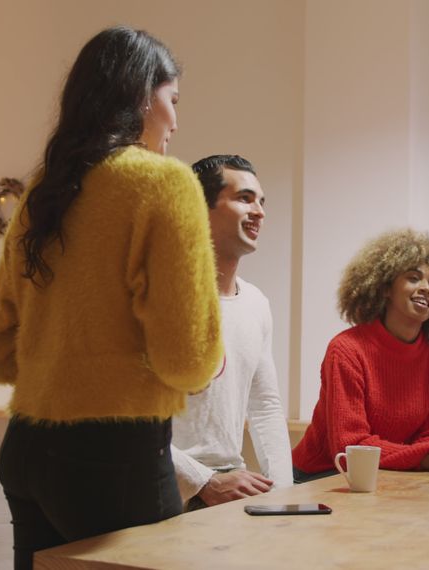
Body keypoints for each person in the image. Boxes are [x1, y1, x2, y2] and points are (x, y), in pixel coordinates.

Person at [0, 27, 222, 569]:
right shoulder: (163, 183)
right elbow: (187, 360)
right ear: (141, 96)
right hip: (115, 457)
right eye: (172, 101)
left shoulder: (43, 193)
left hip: (25, 451)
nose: (176, 122)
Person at [293, 228, 429, 482]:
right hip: (323, 477)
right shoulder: (346, 349)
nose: (426, 289)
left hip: (391, 476)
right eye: (414, 278)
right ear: (386, 287)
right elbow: (350, 449)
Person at [171, 155, 293, 510]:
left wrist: (285, 497)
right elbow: (132, 420)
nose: (259, 212)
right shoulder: (163, 297)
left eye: (261, 201)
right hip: (167, 488)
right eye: (244, 198)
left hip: (231, 486)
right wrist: (203, 481)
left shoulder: (256, 302)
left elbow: (266, 406)